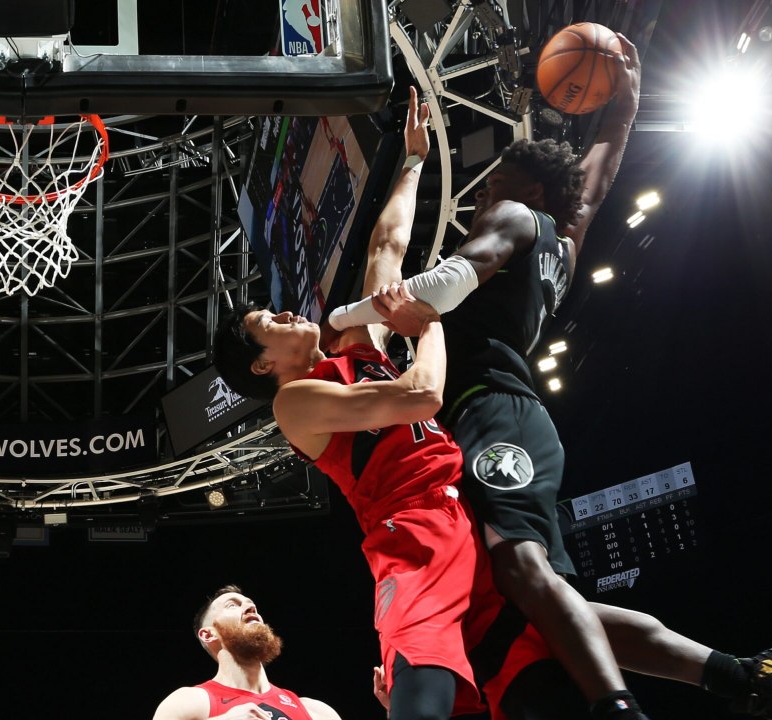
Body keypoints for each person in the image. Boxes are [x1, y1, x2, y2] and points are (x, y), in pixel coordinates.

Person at [325, 34, 772, 720]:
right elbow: (598, 177)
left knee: (520, 568)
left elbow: (446, 284)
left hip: (493, 406)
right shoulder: (562, 237)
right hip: (493, 414)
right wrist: (625, 104)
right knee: (545, 607)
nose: (481, 198)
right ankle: (751, 675)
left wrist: (353, 315)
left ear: (529, 190)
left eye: (492, 184)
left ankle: (620, 708)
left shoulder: (512, 218)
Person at [214, 87, 581, 720]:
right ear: (262, 364)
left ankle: (730, 674)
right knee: (423, 669)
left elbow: (386, 248)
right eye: (267, 322)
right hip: (408, 528)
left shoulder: (356, 346)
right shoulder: (295, 403)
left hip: (461, 511)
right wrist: (429, 321)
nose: (285, 312)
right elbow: (422, 396)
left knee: (525, 658)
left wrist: (412, 162)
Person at [153, 585, 344, 720]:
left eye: (251, 605)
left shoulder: (317, 712)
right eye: (232, 605)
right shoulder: (189, 701)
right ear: (208, 634)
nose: (251, 608)